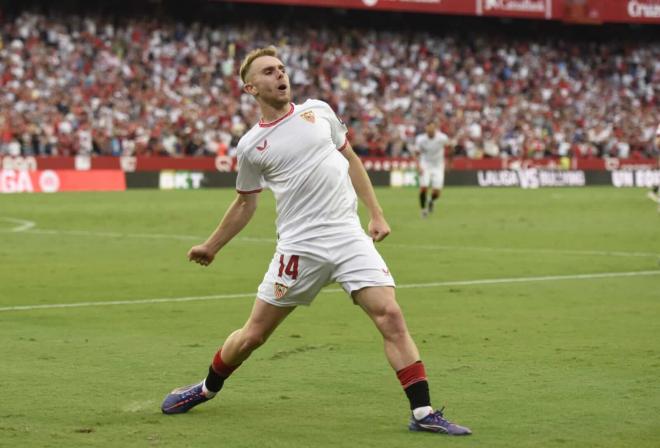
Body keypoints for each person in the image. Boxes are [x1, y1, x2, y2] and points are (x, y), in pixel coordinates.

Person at [160, 46, 471, 436]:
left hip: (348, 236)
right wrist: (211, 246)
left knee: (389, 313)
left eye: (282, 68)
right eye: (269, 72)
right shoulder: (252, 145)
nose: (280, 75)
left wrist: (375, 212)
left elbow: (352, 159)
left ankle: (423, 412)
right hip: (299, 247)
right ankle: (206, 387)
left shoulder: (319, 111)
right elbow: (244, 203)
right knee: (253, 335)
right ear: (250, 88)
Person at [413, 122, 450, 218]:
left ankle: (431, 200)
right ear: (426, 130)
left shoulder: (442, 138)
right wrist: (418, 166)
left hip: (438, 166)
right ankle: (423, 210)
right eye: (428, 130)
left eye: (432, 129)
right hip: (425, 164)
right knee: (423, 187)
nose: (430, 131)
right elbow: (416, 153)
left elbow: (449, 147)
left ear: (435, 129)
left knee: (437, 192)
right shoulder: (420, 139)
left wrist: (449, 162)